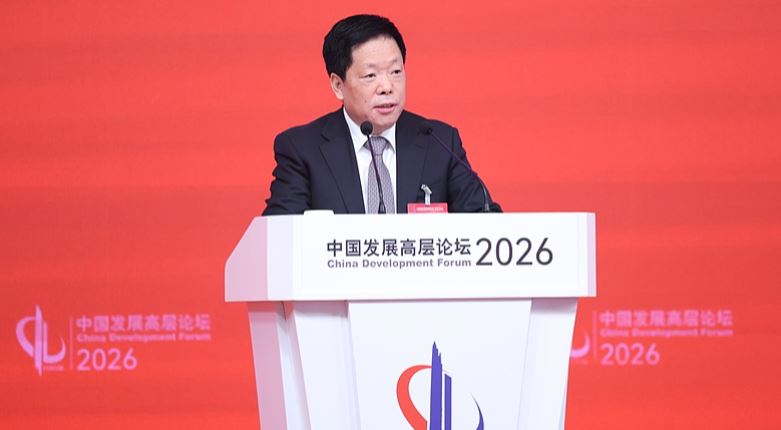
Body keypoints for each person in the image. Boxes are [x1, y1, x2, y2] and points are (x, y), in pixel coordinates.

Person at [262, 14, 501, 215]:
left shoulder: (439, 142)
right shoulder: (302, 150)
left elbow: (485, 221)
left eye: (396, 71)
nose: (387, 87)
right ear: (338, 85)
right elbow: (279, 235)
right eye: (370, 76)